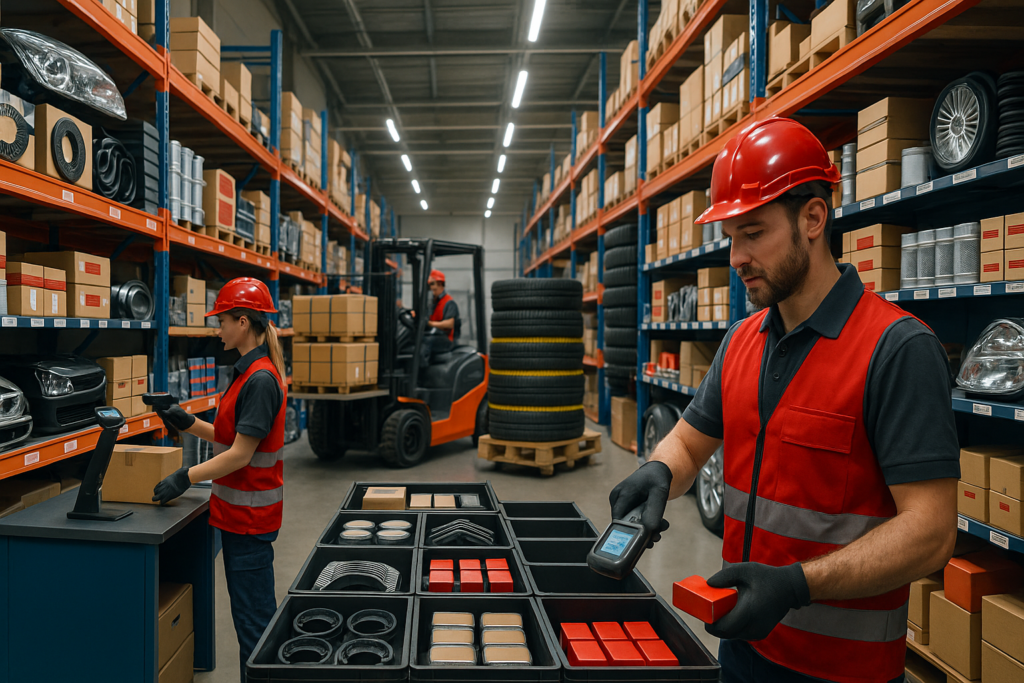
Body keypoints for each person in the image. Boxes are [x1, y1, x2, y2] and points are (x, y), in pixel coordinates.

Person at [609, 118, 959, 683]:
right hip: (741, 646)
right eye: (731, 237)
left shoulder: (896, 349)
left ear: (813, 219)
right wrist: (660, 471)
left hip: (843, 671)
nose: (736, 257)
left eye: (753, 233)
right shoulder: (741, 342)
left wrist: (797, 585)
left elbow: (932, 532)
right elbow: (691, 442)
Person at [151, 277, 287, 682]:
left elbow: (241, 455)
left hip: (249, 523)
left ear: (243, 322)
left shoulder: (259, 379)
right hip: (238, 518)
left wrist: (185, 476)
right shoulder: (248, 373)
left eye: (222, 321)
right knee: (252, 622)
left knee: (254, 629)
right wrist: (187, 422)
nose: (218, 329)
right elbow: (233, 438)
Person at [421, 269, 459, 365]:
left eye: (432, 284)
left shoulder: (449, 302)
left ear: (440, 284)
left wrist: (430, 323)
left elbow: (450, 324)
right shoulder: (433, 303)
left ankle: (420, 369)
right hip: (434, 335)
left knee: (426, 341)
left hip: (446, 339)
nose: (430, 288)